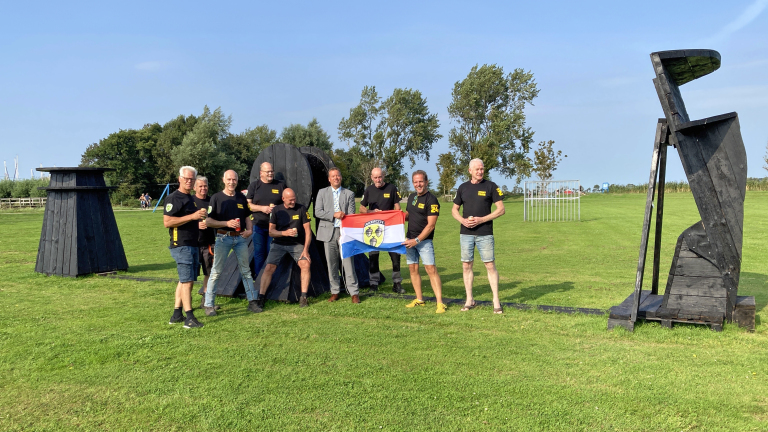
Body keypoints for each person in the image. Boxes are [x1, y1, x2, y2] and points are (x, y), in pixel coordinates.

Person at [451, 158, 506, 314]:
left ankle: (496, 300)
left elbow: (501, 209)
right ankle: (469, 300)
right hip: (466, 234)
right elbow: (454, 210)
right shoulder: (462, 188)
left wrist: (482, 219)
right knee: (466, 265)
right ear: (470, 171)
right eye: (477, 169)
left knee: (489, 265)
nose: (480, 171)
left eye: (482, 169)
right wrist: (462, 220)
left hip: (485, 233)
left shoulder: (491, 186)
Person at [202, 170, 257, 316]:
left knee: (246, 271)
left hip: (239, 238)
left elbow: (247, 216)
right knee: (216, 272)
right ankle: (209, 305)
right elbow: (208, 221)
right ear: (223, 180)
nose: (232, 182)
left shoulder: (241, 197)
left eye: (234, 179)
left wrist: (250, 230)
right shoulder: (216, 198)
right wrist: (226, 223)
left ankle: (252, 302)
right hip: (222, 237)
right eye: (229, 179)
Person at [253, 188, 313, 311]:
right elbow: (271, 232)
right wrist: (284, 233)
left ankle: (303, 297)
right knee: (269, 267)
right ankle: (261, 296)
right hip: (279, 243)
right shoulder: (276, 210)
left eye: (294, 199)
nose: (293, 202)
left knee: (305, 264)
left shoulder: (301, 209)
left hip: (296, 244)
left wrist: (306, 249)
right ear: (283, 199)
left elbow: (308, 231)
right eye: (290, 200)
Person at [163, 166, 207, 328]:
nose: (189, 181)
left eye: (192, 179)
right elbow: (167, 222)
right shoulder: (174, 198)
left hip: (192, 243)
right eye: (186, 178)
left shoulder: (190, 198)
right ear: (179, 178)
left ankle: (176, 314)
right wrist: (193, 216)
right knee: (187, 281)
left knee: (184, 280)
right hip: (181, 244)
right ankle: (189, 318)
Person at [402, 170, 446, 313]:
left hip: (424, 241)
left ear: (426, 182)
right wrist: (397, 216)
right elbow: (410, 215)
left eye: (421, 181)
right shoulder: (412, 197)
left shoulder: (432, 200)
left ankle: (440, 303)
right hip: (409, 240)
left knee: (430, 270)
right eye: (415, 182)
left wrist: (417, 240)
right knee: (413, 269)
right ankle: (419, 299)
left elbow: (431, 225)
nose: (418, 184)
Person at [315, 168, 360, 303]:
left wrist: (344, 217)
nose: (336, 178)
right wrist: (333, 215)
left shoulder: (349, 194)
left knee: (348, 263)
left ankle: (354, 292)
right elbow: (317, 211)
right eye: (333, 176)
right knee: (331, 263)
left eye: (338, 176)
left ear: (341, 177)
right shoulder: (322, 192)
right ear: (329, 179)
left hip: (344, 233)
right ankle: (335, 291)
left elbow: (351, 214)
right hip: (327, 233)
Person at [360, 167, 404, 294]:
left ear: (383, 176)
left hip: (390, 228)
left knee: (395, 256)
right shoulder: (368, 190)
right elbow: (361, 209)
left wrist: (396, 218)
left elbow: (397, 207)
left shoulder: (392, 188)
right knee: (373, 256)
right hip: (374, 229)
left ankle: (397, 283)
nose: (378, 180)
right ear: (371, 178)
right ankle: (373, 284)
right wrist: (371, 211)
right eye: (375, 177)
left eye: (379, 177)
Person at [246, 162, 285, 278]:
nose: (270, 173)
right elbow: (248, 205)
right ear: (261, 173)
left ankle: (271, 279)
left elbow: (286, 204)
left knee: (271, 253)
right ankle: (259, 278)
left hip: (274, 227)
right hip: (258, 225)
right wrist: (262, 208)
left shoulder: (280, 185)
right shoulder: (254, 186)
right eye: (267, 171)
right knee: (259, 254)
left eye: (271, 171)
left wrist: (277, 209)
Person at [192, 176, 217, 309]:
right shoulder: (190, 201)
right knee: (189, 275)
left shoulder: (212, 200)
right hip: (193, 243)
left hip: (209, 242)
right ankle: (186, 304)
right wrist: (197, 225)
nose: (203, 188)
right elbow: (184, 220)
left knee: (209, 273)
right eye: (200, 186)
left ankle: (206, 301)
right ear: (194, 187)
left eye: (205, 186)